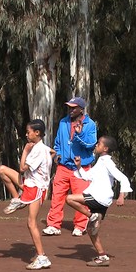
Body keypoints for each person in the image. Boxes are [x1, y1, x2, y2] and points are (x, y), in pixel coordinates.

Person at [66, 136, 132, 267]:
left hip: (99, 197)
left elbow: (123, 178)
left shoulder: (107, 162)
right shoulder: (101, 161)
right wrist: (79, 166)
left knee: (69, 198)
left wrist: (121, 196)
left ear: (105, 148)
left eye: (99, 144)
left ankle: (92, 216)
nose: (96, 145)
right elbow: (87, 176)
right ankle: (102, 257)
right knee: (91, 230)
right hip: (101, 199)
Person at [0, 119, 54, 270]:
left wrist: (25, 151)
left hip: (36, 189)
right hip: (30, 184)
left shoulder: (36, 150)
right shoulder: (43, 148)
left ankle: (42, 257)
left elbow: (22, 168)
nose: (26, 135)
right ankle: (17, 199)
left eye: (28, 132)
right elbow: (53, 152)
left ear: (37, 133)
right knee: (2, 169)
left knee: (31, 223)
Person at [43, 97, 97, 237]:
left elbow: (91, 145)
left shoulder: (90, 124)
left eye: (74, 107)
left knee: (81, 198)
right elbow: (58, 143)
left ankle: (80, 226)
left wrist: (80, 134)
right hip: (63, 166)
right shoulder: (63, 122)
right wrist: (58, 155)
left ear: (81, 109)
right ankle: (53, 225)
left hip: (81, 168)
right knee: (57, 196)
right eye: (69, 107)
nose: (71, 110)